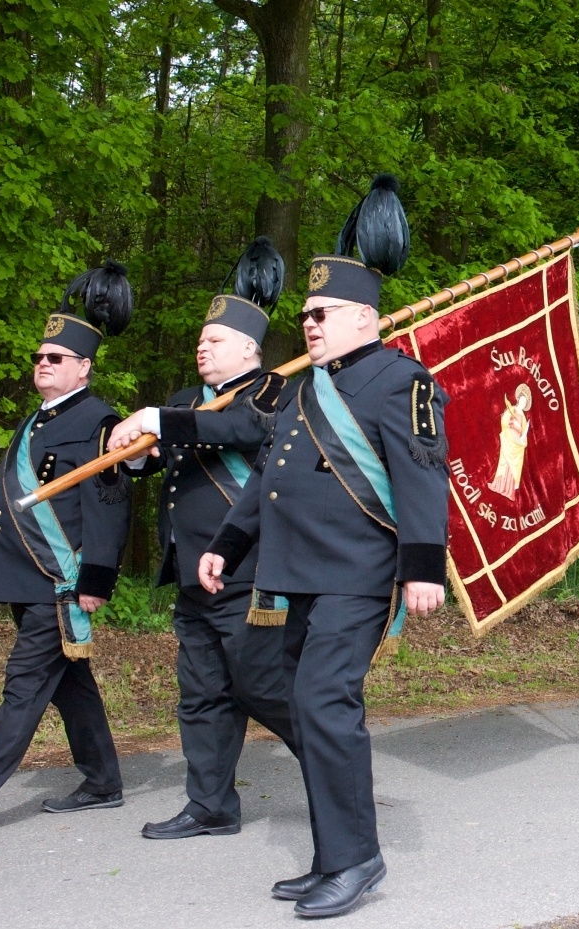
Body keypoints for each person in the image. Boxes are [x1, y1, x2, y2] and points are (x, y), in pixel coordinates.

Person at [199, 175, 449, 918]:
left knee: (322, 701)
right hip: (291, 574)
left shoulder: (402, 381)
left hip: (355, 575)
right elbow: (267, 484)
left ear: (366, 318)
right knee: (306, 710)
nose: (307, 324)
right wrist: (228, 542)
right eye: (305, 314)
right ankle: (330, 855)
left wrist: (423, 568)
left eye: (323, 313)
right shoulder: (302, 388)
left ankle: (356, 859)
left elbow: (423, 476)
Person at [0, 265, 135, 833]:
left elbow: (107, 507)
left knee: (26, 683)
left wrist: (96, 581)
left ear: (83, 366)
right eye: (39, 357)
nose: (42, 365)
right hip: (20, 575)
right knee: (68, 684)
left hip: (60, 583)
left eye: (54, 358)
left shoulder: (101, 421)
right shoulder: (32, 423)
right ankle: (104, 780)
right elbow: (5, 508)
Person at [107, 239, 298, 840]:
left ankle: (336, 768)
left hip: (249, 571)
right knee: (202, 694)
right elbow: (158, 459)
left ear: (248, 347)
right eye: (199, 340)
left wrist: (156, 420)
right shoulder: (188, 402)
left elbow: (240, 429)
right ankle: (211, 806)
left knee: (263, 688)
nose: (201, 346)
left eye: (213, 341)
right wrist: (128, 450)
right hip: (191, 572)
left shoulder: (272, 391)